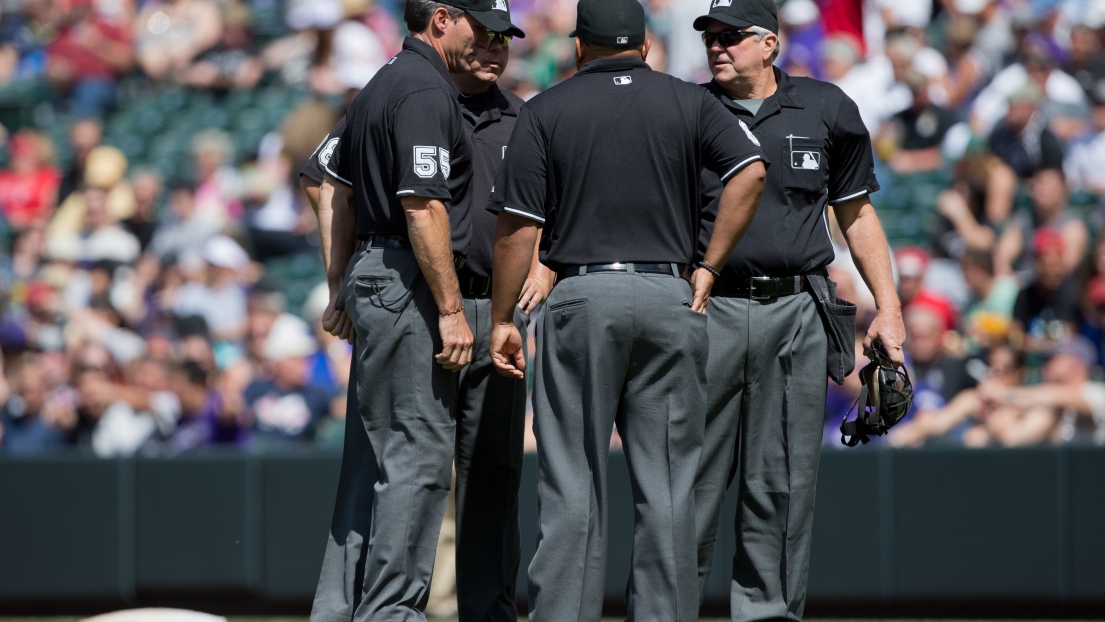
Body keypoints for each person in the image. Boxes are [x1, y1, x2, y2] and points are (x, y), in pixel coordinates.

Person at [487, 0, 767, 618]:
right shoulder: (690, 101)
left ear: (579, 46)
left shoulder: (546, 109)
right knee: (669, 486)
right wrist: (709, 266)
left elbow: (516, 227)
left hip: (581, 296)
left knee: (571, 485)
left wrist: (503, 316)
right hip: (671, 295)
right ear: (644, 45)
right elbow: (750, 170)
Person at [690, 1, 905, 621]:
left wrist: (887, 310)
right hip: (710, 309)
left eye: (730, 36)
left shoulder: (825, 107)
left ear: (769, 44)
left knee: (780, 486)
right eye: (709, 36)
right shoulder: (689, 109)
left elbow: (857, 215)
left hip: (795, 309)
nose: (716, 47)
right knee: (690, 485)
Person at [317, 0, 514, 618]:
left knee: (377, 461)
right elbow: (423, 206)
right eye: (481, 27)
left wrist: (341, 282)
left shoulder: (382, 82)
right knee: (417, 463)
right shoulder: (426, 90)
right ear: (441, 18)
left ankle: (341, 611)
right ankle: (389, 615)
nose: (493, 40)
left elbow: (328, 185)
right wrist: (451, 310)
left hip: (383, 273)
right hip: (414, 282)